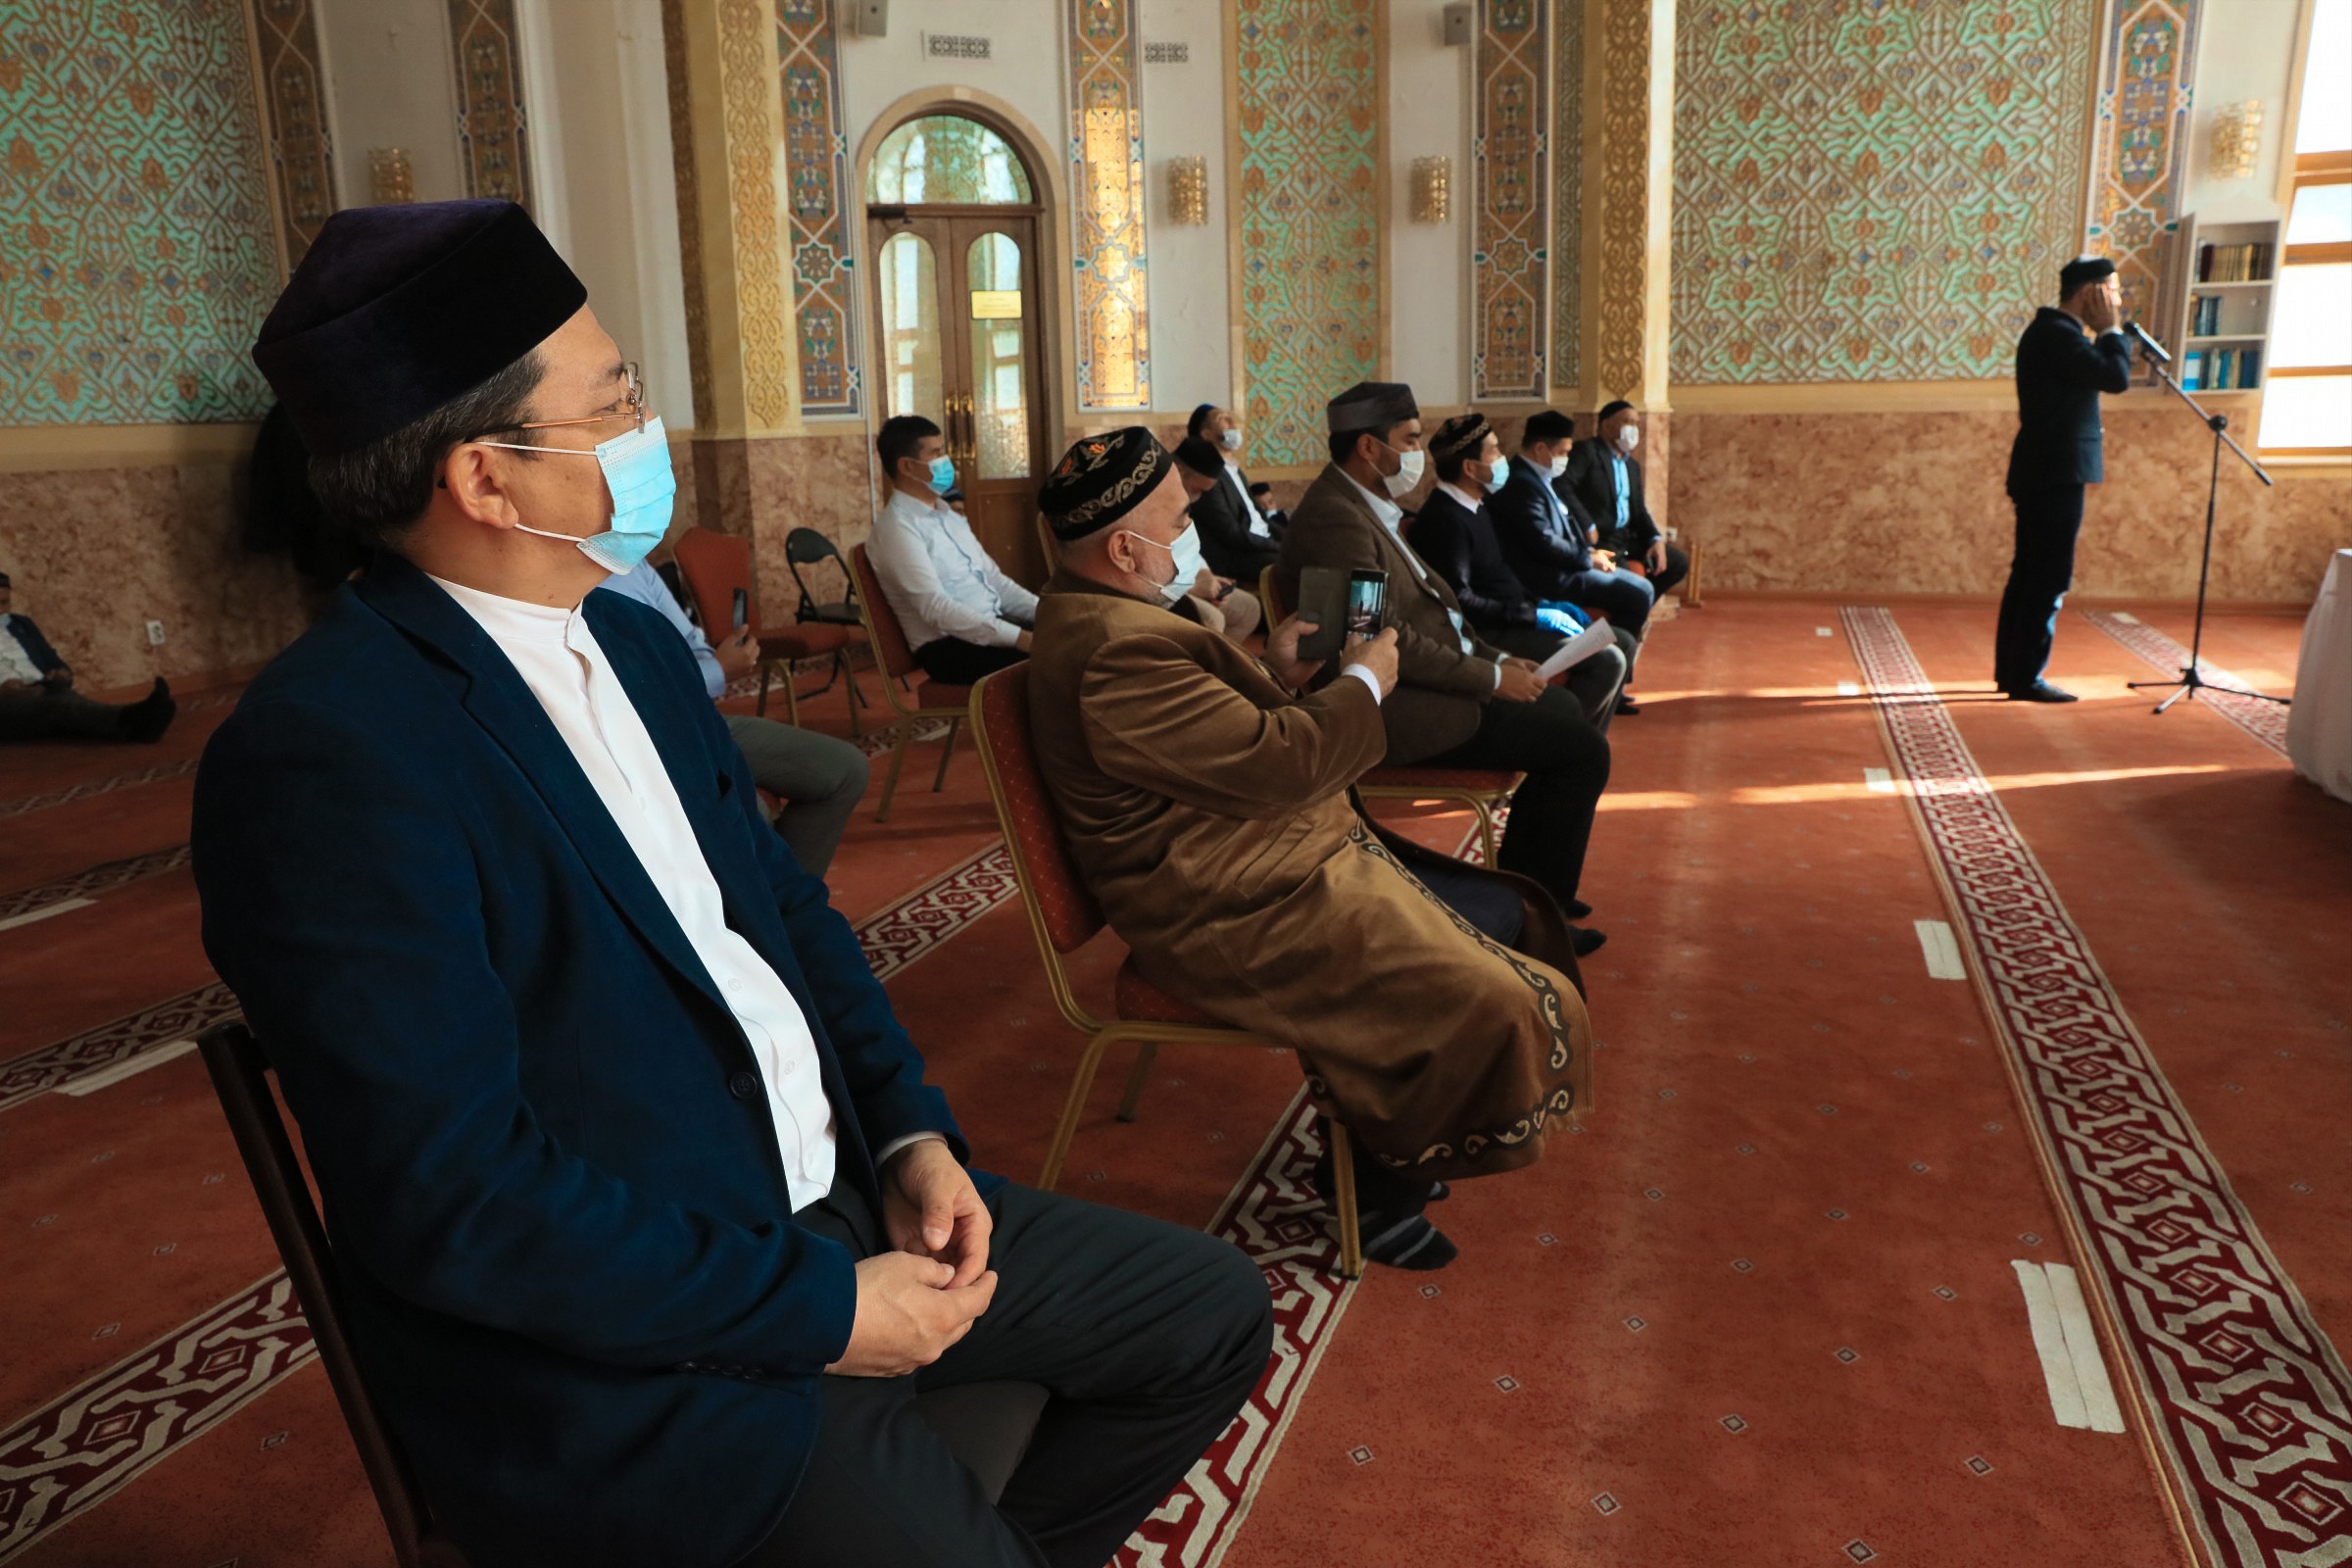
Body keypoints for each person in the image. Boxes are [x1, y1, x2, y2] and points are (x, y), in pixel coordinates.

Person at [194, 198, 1271, 1568]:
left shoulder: (630, 647)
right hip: (645, 1361)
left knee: (1210, 1314)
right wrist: (823, 1312)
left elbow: (787, 922)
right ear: (487, 479)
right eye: (617, 398)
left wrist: (908, 1134)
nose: (649, 428)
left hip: (833, 1202)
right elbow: (457, 1200)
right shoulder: (330, 753)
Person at [1026, 426, 1592, 1269]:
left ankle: (1379, 1142)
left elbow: (1206, 747)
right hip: (1220, 901)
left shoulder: (1111, 615)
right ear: (1124, 549)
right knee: (1491, 994)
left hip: (1256, 852)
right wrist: (1364, 681)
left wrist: (1281, 679)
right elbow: (1279, 765)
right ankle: (1381, 1192)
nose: (1192, 534)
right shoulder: (1117, 650)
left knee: (1506, 912)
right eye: (1179, 520)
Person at [1276, 382, 1611, 945]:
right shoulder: (1334, 518)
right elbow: (1375, 637)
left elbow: (1438, 612)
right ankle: (1534, 919)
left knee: (1561, 710)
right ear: (1368, 447)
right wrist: (1492, 678)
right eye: (1409, 440)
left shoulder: (1366, 505)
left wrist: (1498, 657)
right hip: (1391, 704)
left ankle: (1532, 892)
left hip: (1425, 678)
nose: (1417, 453)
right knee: (1581, 749)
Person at [596, 561, 869, 876]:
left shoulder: (634, 565)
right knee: (747, 812)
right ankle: (759, 901)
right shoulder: (559, 591)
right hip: (639, 742)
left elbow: (693, 647)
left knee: (844, 769)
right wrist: (717, 671)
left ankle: (787, 901)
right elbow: (624, 695)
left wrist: (709, 669)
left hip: (699, 720)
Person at [1409, 415, 1631, 731]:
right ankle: (1573, 742)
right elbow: (1460, 601)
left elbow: (1500, 574)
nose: (1502, 458)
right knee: (1607, 661)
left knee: (1622, 640)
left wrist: (1541, 604)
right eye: (1494, 451)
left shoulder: (1476, 506)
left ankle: (1582, 740)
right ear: (1470, 468)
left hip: (1515, 616)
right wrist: (1530, 616)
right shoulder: (1446, 519)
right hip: (1490, 632)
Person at [1997, 254, 2133, 703]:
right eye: (2112, 292)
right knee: (2047, 576)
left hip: (2047, 470)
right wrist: (2111, 331)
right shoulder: (2057, 335)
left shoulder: (2055, 334)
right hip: (2053, 473)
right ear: (2090, 293)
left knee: (2030, 574)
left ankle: (2014, 673)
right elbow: (2115, 377)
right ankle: (2025, 677)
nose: (2117, 303)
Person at [865, 416, 1039, 687]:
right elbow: (936, 608)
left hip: (988, 628)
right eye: (936, 453)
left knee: (1079, 636)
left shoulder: (948, 515)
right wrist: (1021, 638)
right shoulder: (897, 529)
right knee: (1063, 659)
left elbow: (995, 581)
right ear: (907, 466)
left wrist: (1047, 612)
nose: (946, 461)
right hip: (949, 649)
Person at [1489, 410, 1656, 651]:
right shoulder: (1521, 483)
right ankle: (1603, 654)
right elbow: (1544, 541)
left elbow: (1564, 522)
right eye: (1563, 452)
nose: (1566, 459)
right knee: (1636, 596)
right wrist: (1587, 559)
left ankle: (1616, 656)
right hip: (1551, 575)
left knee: (1644, 587)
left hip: (1568, 563)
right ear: (1540, 449)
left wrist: (1590, 552)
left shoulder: (1540, 475)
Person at [0, 572, 175, 745]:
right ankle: (134, 721)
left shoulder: (21, 625)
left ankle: (138, 721)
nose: (1, 611)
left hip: (41, 690)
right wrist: (4, 692)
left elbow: (55, 663)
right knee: (60, 705)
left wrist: (60, 675)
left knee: (68, 700)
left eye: (4, 603)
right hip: (6, 703)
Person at [1562, 401, 1688, 598]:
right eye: (1628, 422)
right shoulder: (1587, 452)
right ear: (1606, 425)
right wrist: (1587, 524)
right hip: (1599, 539)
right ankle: (1632, 608)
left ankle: (1640, 608)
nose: (1634, 428)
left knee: (1677, 562)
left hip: (1624, 538)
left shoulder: (1632, 466)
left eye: (1636, 423)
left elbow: (1639, 511)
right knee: (1629, 587)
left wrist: (1655, 539)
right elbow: (1563, 486)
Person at [1183, 405, 1285, 575]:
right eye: (1222, 419)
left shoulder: (1236, 470)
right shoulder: (1207, 478)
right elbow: (1230, 533)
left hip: (1261, 542)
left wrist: (1289, 540)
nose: (1232, 422)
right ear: (1206, 434)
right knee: (1293, 565)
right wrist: (1277, 546)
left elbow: (1260, 517)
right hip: (1239, 554)